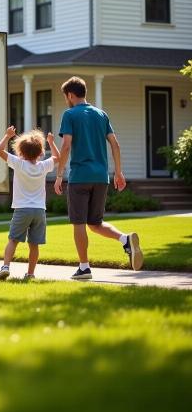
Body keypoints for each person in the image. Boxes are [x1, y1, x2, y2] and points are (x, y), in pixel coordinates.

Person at [55, 76, 143, 280]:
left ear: (70, 95)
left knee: (78, 223)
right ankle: (125, 239)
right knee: (95, 223)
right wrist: (118, 172)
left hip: (79, 177)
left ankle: (84, 267)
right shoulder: (101, 114)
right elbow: (115, 144)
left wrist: (59, 175)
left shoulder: (69, 114)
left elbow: (66, 145)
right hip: (101, 177)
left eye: (66, 97)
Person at [0, 126, 59, 280]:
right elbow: (58, 157)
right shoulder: (43, 166)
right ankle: (30, 274)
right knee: (34, 244)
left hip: (22, 209)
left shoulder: (19, 164)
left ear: (21, 151)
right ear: (40, 152)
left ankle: (5, 266)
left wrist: (7, 136)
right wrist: (51, 142)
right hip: (39, 211)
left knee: (13, 240)